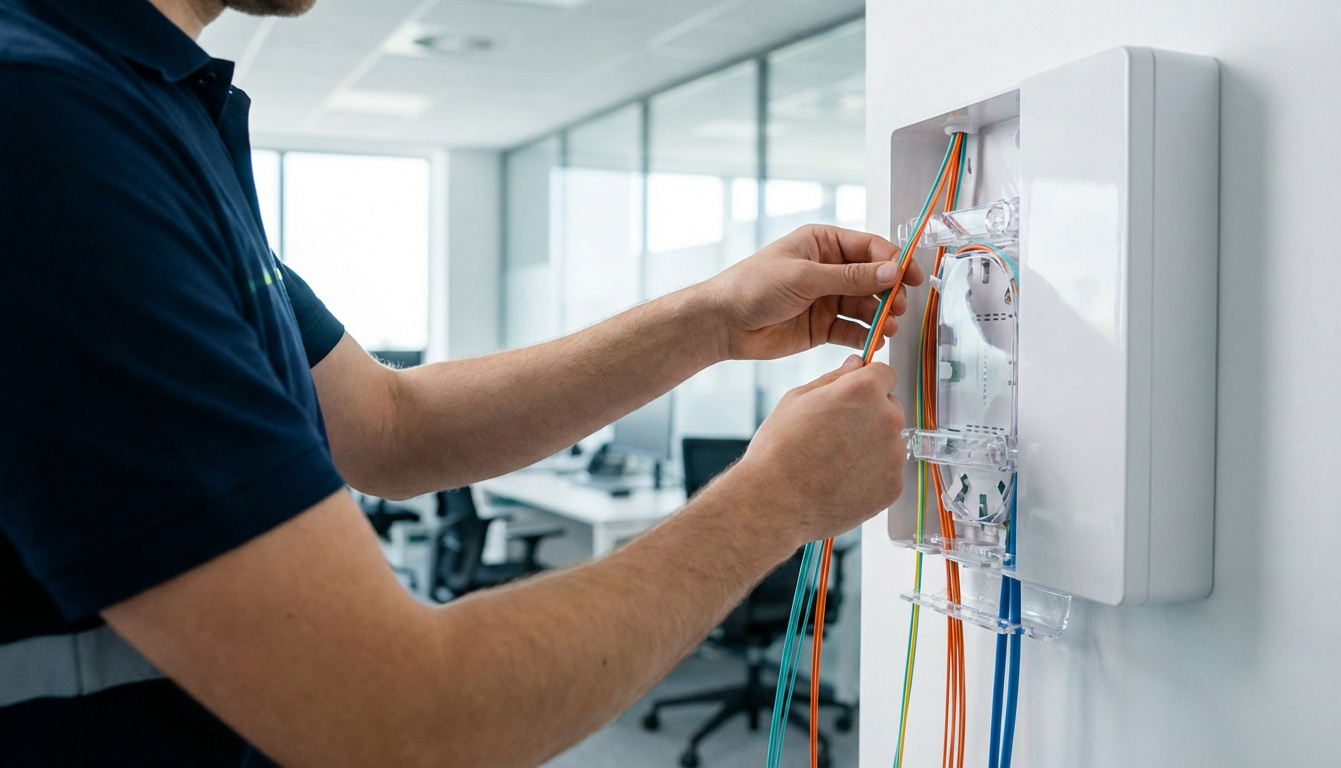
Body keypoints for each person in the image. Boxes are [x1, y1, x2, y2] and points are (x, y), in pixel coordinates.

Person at [0, 0, 921, 765]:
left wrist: (713, 318)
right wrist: (777, 502)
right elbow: (394, 715)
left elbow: (391, 426)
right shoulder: (44, 117)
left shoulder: (144, 107)